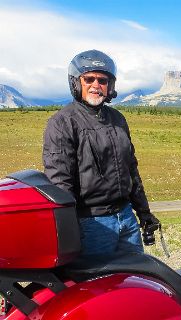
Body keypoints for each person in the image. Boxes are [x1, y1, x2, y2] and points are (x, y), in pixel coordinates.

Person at [43, 49, 159, 257]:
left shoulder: (118, 119)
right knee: (97, 286)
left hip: (126, 218)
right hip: (92, 224)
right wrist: (69, 227)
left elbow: (131, 170)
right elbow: (61, 182)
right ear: (76, 83)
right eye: (89, 79)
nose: (96, 85)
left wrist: (144, 213)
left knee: (134, 279)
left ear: (110, 86)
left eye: (102, 80)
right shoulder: (63, 122)